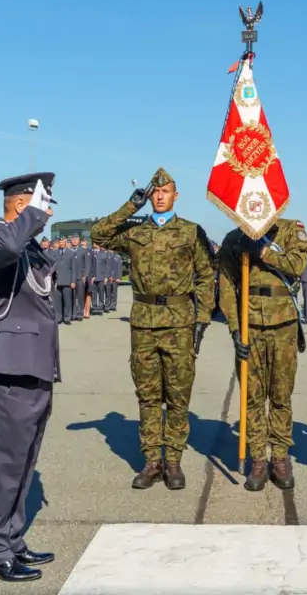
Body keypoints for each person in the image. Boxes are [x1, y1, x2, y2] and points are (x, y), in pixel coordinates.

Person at [92, 167, 215, 490]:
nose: (159, 197)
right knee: (147, 396)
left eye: (165, 192)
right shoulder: (135, 233)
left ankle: (173, 461)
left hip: (179, 321)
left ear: (175, 197)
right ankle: (152, 462)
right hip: (144, 322)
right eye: (155, 193)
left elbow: (206, 277)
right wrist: (130, 206)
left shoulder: (191, 233)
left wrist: (201, 321)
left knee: (177, 396)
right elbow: (99, 235)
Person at [0, 172, 59, 582]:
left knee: (24, 462)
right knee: (4, 464)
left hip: (34, 367)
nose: (47, 212)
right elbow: (5, 248)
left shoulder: (29, 245)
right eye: (42, 203)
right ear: (21, 204)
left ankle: (10, 539)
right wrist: (34, 215)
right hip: (8, 368)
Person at [218, 218, 307, 491]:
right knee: (252, 397)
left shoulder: (292, 231)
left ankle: (280, 457)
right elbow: (225, 286)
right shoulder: (234, 238)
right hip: (249, 327)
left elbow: (297, 266)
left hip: (283, 324)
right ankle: (258, 459)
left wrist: (262, 251)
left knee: (281, 395)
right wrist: (235, 330)